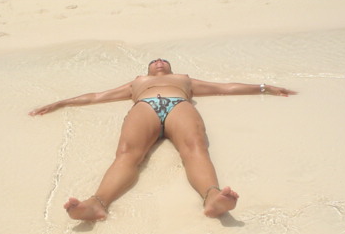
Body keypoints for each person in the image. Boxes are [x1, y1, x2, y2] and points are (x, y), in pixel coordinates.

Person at [29, 59, 297, 221]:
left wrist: (264, 87)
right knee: (127, 154)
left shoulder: (184, 80)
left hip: (178, 104)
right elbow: (98, 96)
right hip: (144, 106)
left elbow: (223, 87)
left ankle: (212, 197)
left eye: (164, 60)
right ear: (147, 69)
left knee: (195, 148)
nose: (159, 62)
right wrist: (62, 102)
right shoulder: (137, 82)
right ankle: (96, 204)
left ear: (170, 67)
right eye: (154, 61)